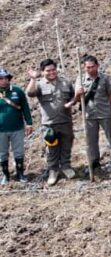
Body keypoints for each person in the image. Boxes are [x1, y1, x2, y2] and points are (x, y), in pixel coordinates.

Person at [26, 58, 76, 186]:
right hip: (49, 124)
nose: (51, 72)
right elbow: (30, 93)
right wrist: (33, 78)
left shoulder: (65, 83)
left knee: (66, 145)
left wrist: (72, 102)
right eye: (48, 70)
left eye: (53, 69)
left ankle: (66, 166)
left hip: (65, 121)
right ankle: (53, 170)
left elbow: (73, 96)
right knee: (52, 148)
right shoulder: (39, 84)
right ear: (42, 72)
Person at [75, 55, 111, 173]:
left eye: (92, 67)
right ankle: (94, 162)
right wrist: (78, 93)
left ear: (97, 66)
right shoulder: (80, 80)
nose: (90, 69)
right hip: (89, 115)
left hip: (105, 113)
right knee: (91, 141)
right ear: (84, 67)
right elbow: (76, 100)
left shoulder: (105, 78)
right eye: (87, 67)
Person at [0, 68, 33, 184]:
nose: (3, 81)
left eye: (5, 78)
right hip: (1, 130)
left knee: (19, 151)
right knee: (2, 153)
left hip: (17, 128)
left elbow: (25, 107)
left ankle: (20, 174)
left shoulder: (17, 91)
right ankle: (5, 175)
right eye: (1, 78)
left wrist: (29, 123)